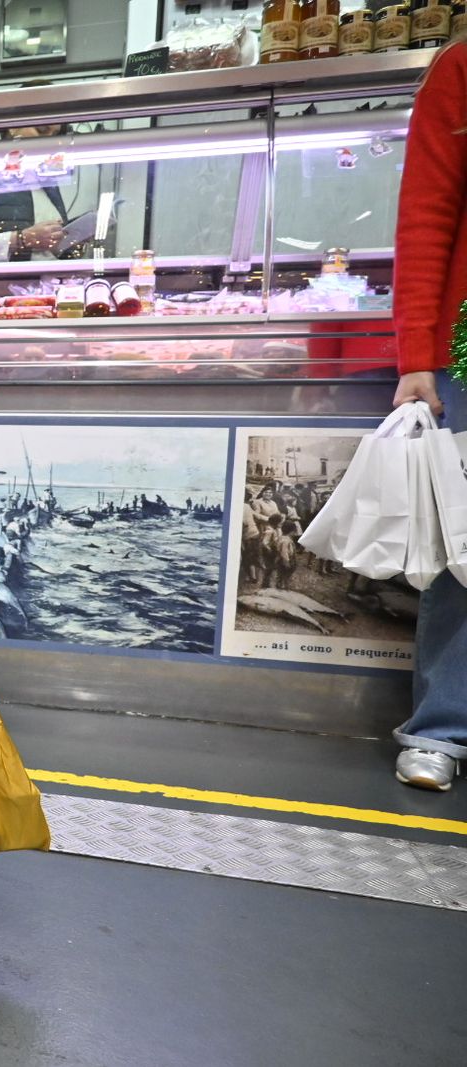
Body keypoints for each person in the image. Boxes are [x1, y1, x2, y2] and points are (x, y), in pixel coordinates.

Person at [389, 35, 467, 791]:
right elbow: (428, 212)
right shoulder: (462, 67)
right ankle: (443, 724)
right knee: (463, 546)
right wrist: (417, 351)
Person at [0, 125, 92, 263]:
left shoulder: (46, 184)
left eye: (55, 135)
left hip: (40, 289)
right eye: (42, 130)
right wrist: (22, 240)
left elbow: (43, 253)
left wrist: (67, 244)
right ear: (12, 128)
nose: (49, 141)